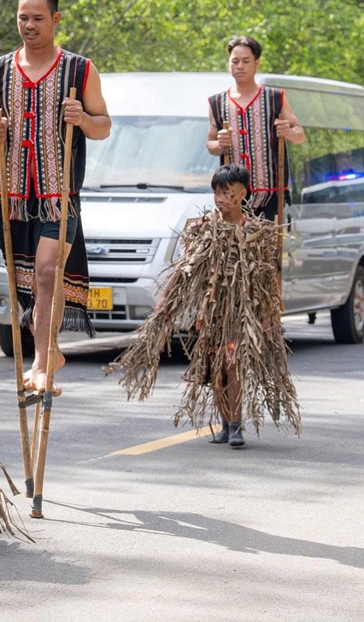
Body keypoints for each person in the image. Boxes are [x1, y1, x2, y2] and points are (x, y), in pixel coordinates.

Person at [0, 0, 110, 393]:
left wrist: (83, 119)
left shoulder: (79, 70)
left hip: (58, 196)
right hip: (13, 196)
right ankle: (49, 351)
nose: (28, 25)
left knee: (49, 273)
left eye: (37, 18)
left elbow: (103, 126)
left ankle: (42, 359)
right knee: (28, 280)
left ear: (56, 19)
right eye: (22, 17)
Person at [106, 165, 300, 449]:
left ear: (242, 194)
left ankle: (236, 426)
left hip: (241, 313)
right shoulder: (203, 231)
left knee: (233, 365)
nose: (220, 198)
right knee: (217, 369)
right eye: (217, 192)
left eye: (227, 193)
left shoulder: (256, 233)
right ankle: (225, 423)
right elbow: (184, 269)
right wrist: (165, 299)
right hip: (211, 315)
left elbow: (267, 279)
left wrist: (270, 316)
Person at [205, 36, 306, 223]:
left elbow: (299, 134)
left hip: (270, 191)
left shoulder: (275, 98)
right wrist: (220, 144)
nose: (240, 66)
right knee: (236, 246)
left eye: (246, 61)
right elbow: (210, 144)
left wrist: (288, 133)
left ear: (256, 63)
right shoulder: (217, 103)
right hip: (232, 195)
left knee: (267, 247)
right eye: (235, 61)